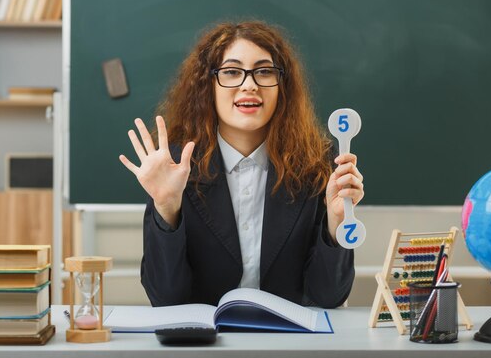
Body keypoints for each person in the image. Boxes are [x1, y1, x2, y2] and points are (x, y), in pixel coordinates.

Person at [119, 21, 364, 308]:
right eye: (232, 72)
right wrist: (167, 208)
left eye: (264, 71)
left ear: (282, 86)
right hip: (207, 346)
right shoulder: (174, 165)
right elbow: (165, 298)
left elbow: (329, 296)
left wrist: (336, 224)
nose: (249, 85)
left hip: (291, 346)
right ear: (207, 85)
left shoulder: (317, 162)